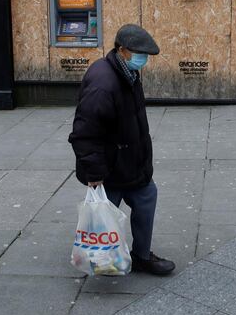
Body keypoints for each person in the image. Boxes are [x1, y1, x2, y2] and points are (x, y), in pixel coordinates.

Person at [68, 24, 175, 276]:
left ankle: (140, 256)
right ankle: (100, 258)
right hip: (109, 169)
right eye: (139, 53)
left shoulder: (128, 72)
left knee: (147, 197)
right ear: (122, 50)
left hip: (131, 163)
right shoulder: (103, 83)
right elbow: (84, 134)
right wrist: (95, 174)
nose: (144, 59)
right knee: (102, 216)